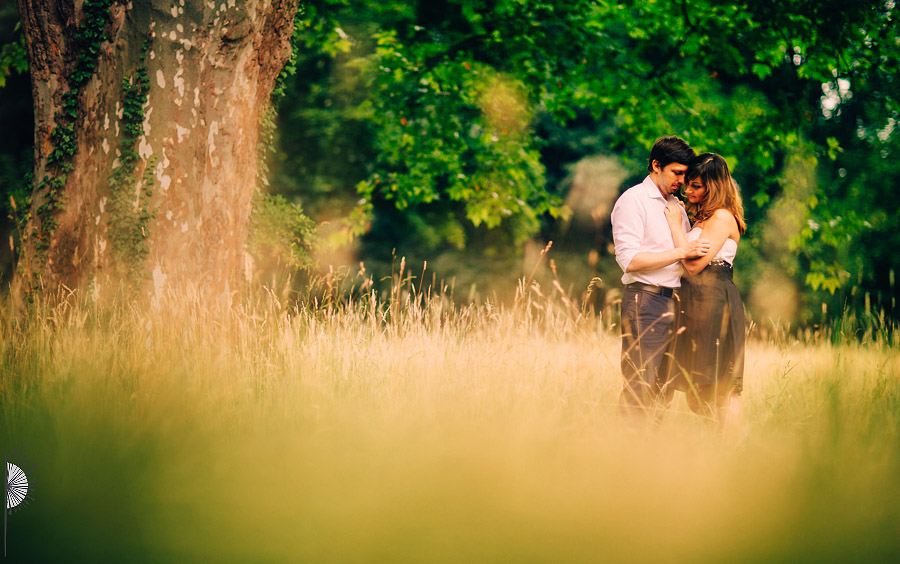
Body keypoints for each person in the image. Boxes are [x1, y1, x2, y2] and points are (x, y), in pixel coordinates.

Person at [611, 136, 710, 420]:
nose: (681, 180)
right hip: (645, 301)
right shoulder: (633, 201)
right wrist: (681, 251)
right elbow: (629, 261)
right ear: (656, 165)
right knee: (639, 386)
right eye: (676, 173)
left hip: (675, 303)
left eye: (685, 174)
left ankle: (652, 458)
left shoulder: (677, 207)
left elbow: (692, 252)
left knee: (663, 390)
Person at [663, 153, 746, 428]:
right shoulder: (702, 218)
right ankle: (715, 452)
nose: (688, 190)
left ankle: (733, 449)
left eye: (696, 186)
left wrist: (676, 228)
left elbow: (695, 265)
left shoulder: (722, 217)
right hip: (694, 302)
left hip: (714, 300)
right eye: (688, 184)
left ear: (715, 186)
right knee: (699, 390)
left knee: (722, 385)